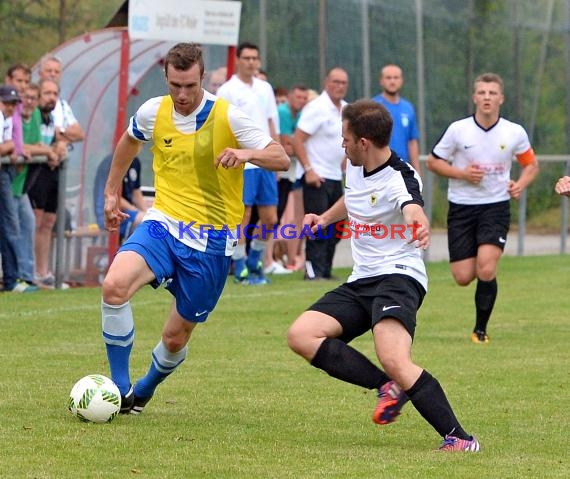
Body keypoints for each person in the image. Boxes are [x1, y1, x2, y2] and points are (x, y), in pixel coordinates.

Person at [101, 43, 289, 414]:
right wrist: (111, 191)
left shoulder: (228, 116)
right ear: (166, 79)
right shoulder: (153, 111)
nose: (182, 94)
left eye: (189, 85)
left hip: (212, 240)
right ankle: (119, 391)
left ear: (203, 77)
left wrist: (247, 154)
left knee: (175, 337)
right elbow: (129, 141)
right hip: (163, 222)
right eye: (175, 85)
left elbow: (280, 156)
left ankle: (145, 388)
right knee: (114, 286)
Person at [287, 99, 480, 452]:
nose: (341, 143)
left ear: (364, 141)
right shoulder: (354, 165)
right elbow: (353, 198)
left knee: (394, 357)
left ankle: (461, 439)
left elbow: (412, 207)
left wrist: (419, 226)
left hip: (399, 277)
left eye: (345, 137)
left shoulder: (401, 177)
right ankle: (387, 386)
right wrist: (324, 218)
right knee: (301, 335)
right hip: (362, 279)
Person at [426, 72, 539, 344]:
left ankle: (480, 331)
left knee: (486, 269)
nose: (487, 97)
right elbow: (433, 162)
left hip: (495, 206)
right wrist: (462, 174)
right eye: (482, 92)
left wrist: (520, 184)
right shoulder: (458, 130)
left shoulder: (514, 132)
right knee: (463, 277)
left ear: (501, 98)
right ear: (475, 97)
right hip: (462, 207)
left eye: (492, 93)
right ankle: (480, 270)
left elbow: (531, 165)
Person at [217, 42, 284, 282]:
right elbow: (222, 126)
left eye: (255, 58)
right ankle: (240, 265)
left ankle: (255, 259)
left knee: (270, 218)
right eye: (247, 58)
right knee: (241, 216)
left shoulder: (265, 88)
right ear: (238, 60)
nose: (251, 62)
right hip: (243, 163)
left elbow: (271, 121)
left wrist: (277, 156)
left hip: (265, 161)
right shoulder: (227, 90)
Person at [294, 67, 348, 280]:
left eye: (343, 83)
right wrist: (309, 170)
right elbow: (298, 139)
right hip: (317, 176)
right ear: (327, 82)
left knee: (336, 228)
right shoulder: (316, 107)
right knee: (317, 227)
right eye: (335, 81)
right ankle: (312, 271)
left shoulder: (346, 109)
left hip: (336, 176)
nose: (339, 86)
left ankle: (325, 270)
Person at [26, 79, 68, 288]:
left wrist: (59, 146)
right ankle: (31, 269)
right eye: (47, 93)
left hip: (52, 173)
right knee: (36, 220)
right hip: (37, 173)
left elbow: (61, 139)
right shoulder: (33, 115)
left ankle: (43, 271)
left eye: (54, 93)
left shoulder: (51, 118)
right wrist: (49, 151)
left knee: (49, 223)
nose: (51, 97)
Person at [275, 85, 310, 271]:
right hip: (280, 170)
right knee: (276, 214)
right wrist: (296, 144)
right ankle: (267, 259)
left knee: (298, 217)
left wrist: (294, 144)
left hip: (293, 171)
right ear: (289, 96)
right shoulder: (282, 112)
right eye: (298, 97)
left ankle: (292, 259)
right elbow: (285, 145)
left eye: (305, 98)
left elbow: (294, 143)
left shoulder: (303, 114)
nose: (302, 101)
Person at [371, 64, 420, 173]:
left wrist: (417, 171)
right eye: (388, 78)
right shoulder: (373, 106)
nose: (392, 81)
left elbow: (412, 141)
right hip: (379, 168)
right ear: (381, 81)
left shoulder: (408, 108)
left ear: (401, 81)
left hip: (402, 168)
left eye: (396, 77)